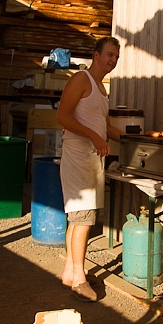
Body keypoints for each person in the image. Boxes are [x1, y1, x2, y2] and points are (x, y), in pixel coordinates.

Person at [56, 37, 123, 301]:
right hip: (77, 157)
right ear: (96, 55)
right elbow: (62, 116)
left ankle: (70, 272)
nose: (113, 60)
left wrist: (134, 137)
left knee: (78, 218)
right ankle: (80, 280)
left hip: (92, 159)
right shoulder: (81, 80)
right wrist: (94, 136)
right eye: (109, 55)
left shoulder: (102, 89)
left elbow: (104, 127)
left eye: (116, 57)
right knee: (83, 220)